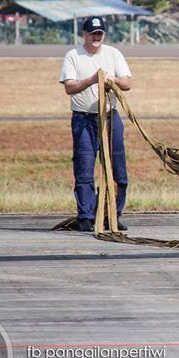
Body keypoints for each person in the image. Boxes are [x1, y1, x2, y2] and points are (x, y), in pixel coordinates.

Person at [58, 17, 132, 232]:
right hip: (84, 118)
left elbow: (127, 82)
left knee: (118, 169)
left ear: (104, 35)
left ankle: (112, 215)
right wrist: (91, 80)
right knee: (84, 168)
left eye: (100, 33)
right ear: (84, 34)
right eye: (93, 33)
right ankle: (86, 216)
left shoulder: (113, 54)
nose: (96, 37)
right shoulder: (73, 56)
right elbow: (69, 87)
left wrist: (112, 80)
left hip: (109, 116)